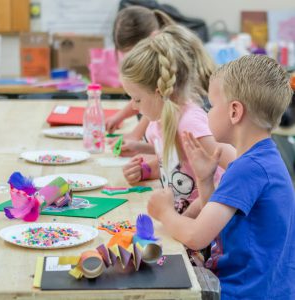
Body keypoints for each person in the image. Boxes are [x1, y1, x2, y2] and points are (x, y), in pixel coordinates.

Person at [147, 55, 295, 299]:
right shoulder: (261, 158)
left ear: (235, 111)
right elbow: (216, 224)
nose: (207, 112)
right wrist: (205, 182)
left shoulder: (249, 168)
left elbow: (197, 236)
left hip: (244, 293)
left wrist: (164, 212)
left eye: (211, 105)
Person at [120, 25, 235, 214]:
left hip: (206, 231)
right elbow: (180, 165)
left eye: (137, 99)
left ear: (159, 93)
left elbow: (241, 170)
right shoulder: (157, 123)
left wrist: (186, 218)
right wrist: (145, 170)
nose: (133, 107)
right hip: (182, 224)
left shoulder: (190, 125)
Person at [105, 6, 174, 156]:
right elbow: (142, 97)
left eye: (134, 52)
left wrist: (136, 134)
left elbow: (153, 101)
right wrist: (120, 116)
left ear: (153, 37)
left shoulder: (169, 60)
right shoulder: (157, 51)